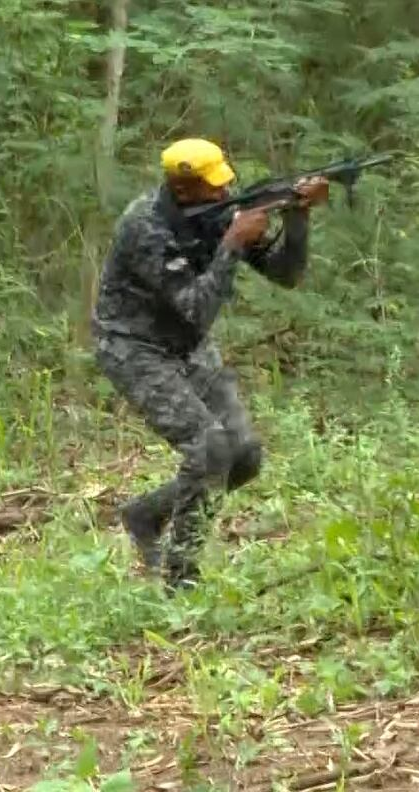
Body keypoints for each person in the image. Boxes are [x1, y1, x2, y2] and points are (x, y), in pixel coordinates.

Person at [91, 138, 329, 591]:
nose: (225, 194)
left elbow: (286, 275)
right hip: (134, 346)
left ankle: (146, 515)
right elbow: (196, 307)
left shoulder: (221, 211)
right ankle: (181, 577)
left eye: (226, 184)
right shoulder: (146, 227)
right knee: (209, 448)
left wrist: (297, 217)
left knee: (244, 456)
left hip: (188, 345)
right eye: (213, 188)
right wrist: (232, 245)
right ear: (183, 190)